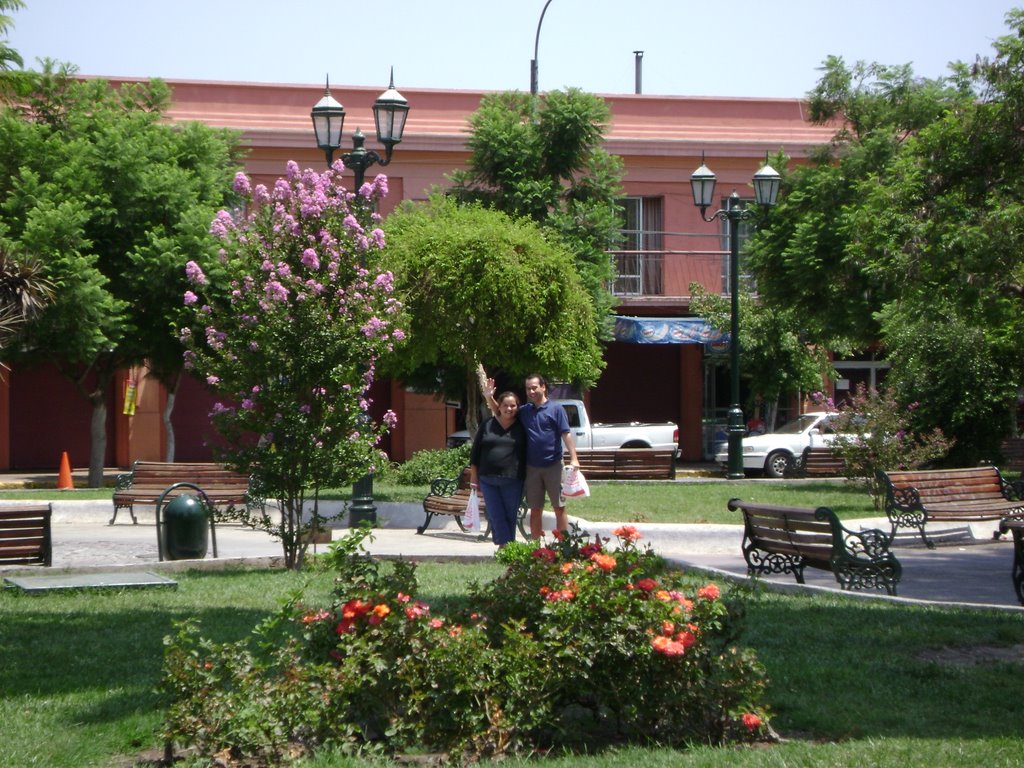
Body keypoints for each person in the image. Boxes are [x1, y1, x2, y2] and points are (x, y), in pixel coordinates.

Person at [517, 374, 579, 538]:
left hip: (554, 466)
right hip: (532, 467)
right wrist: (489, 397)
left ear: (543, 387)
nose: (531, 391)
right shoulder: (524, 411)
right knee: (535, 509)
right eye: (528, 388)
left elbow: (566, 434)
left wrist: (574, 458)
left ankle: (563, 547)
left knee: (559, 507)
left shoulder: (556, 409)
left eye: (534, 387)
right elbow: (502, 412)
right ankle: (536, 551)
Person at [469, 391, 527, 547]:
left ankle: (506, 546)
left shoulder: (522, 426)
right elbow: (475, 453)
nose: (509, 408)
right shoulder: (487, 424)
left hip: (513, 479)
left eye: (513, 405)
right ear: (499, 407)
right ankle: (506, 545)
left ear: (518, 407)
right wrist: (474, 477)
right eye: (505, 405)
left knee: (510, 515)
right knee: (496, 514)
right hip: (487, 479)